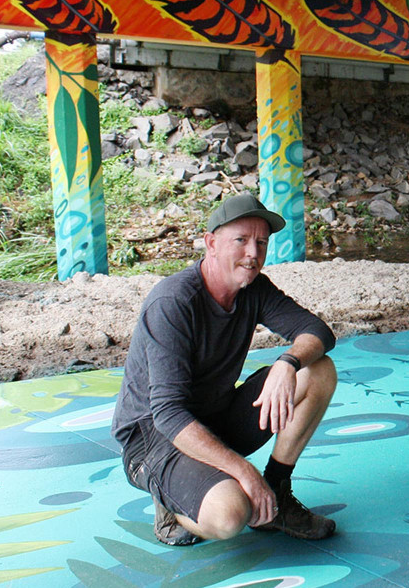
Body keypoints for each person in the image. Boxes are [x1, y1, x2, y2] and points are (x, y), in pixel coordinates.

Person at [111, 193, 338, 545]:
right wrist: (244, 472)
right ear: (211, 243)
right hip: (155, 439)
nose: (253, 253)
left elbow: (318, 332)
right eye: (241, 240)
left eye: (261, 242)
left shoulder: (253, 288)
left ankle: (277, 491)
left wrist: (287, 363)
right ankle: (172, 508)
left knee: (317, 370)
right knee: (232, 514)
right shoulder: (173, 302)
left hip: (215, 418)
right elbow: (168, 413)